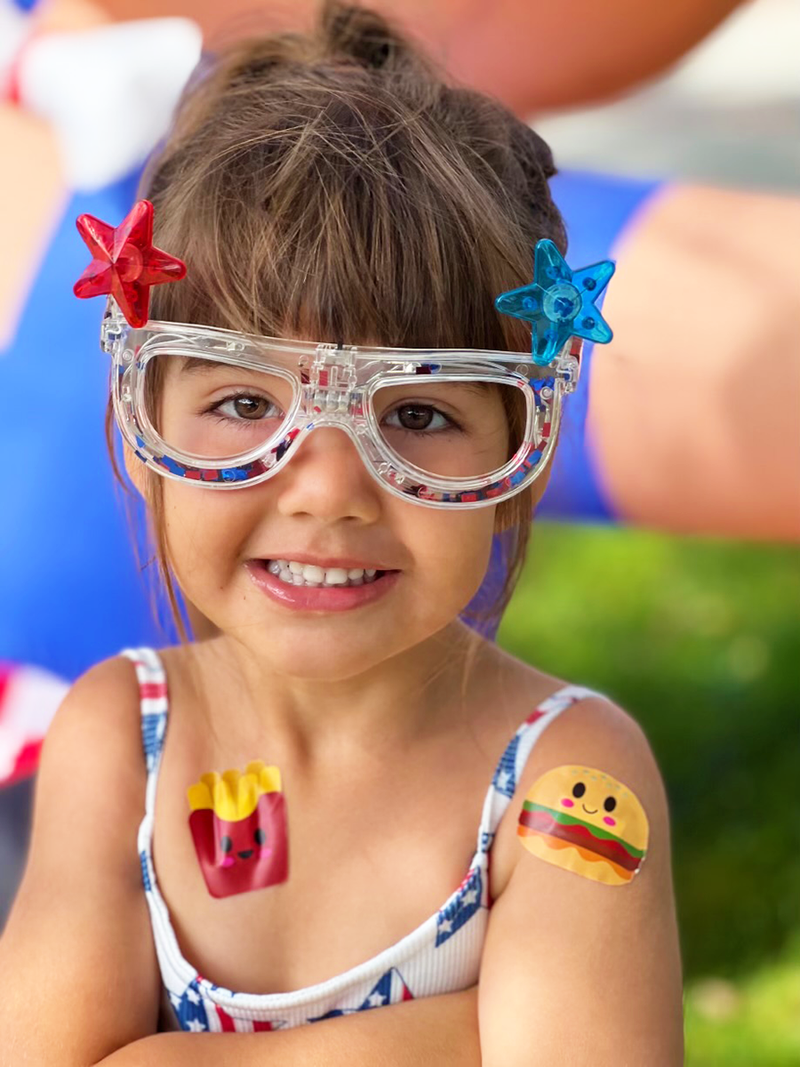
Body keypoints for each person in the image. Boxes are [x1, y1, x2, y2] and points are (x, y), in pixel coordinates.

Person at [0, 3, 683, 1063]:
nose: (326, 490)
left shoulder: (563, 771)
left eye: (416, 415)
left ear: (525, 454)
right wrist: (462, 1034)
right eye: (242, 405)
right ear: (137, 429)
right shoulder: (120, 740)